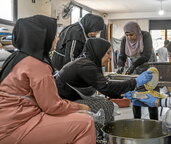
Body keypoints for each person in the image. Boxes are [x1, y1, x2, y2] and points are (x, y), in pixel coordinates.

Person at [0, 15, 96, 144]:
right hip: (15, 127)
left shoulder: (16, 58)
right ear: (41, 37)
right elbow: (52, 106)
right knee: (86, 123)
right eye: (54, 36)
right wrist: (80, 106)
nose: (57, 39)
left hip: (8, 121)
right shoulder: (37, 64)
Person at [55, 38, 153, 138]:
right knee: (106, 106)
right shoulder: (85, 66)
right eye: (108, 53)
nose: (110, 57)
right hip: (63, 102)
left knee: (107, 105)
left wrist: (124, 93)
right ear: (99, 51)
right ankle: (96, 136)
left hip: (72, 98)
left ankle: (107, 135)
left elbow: (105, 86)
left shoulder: (88, 62)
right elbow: (107, 87)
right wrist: (135, 82)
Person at [116, 21, 158, 120]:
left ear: (137, 31)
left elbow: (146, 55)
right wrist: (120, 66)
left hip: (150, 66)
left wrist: (133, 65)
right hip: (136, 69)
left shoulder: (145, 35)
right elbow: (122, 56)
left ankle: (154, 123)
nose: (130, 37)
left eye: (132, 34)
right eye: (127, 35)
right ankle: (137, 121)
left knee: (151, 95)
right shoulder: (124, 40)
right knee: (136, 95)